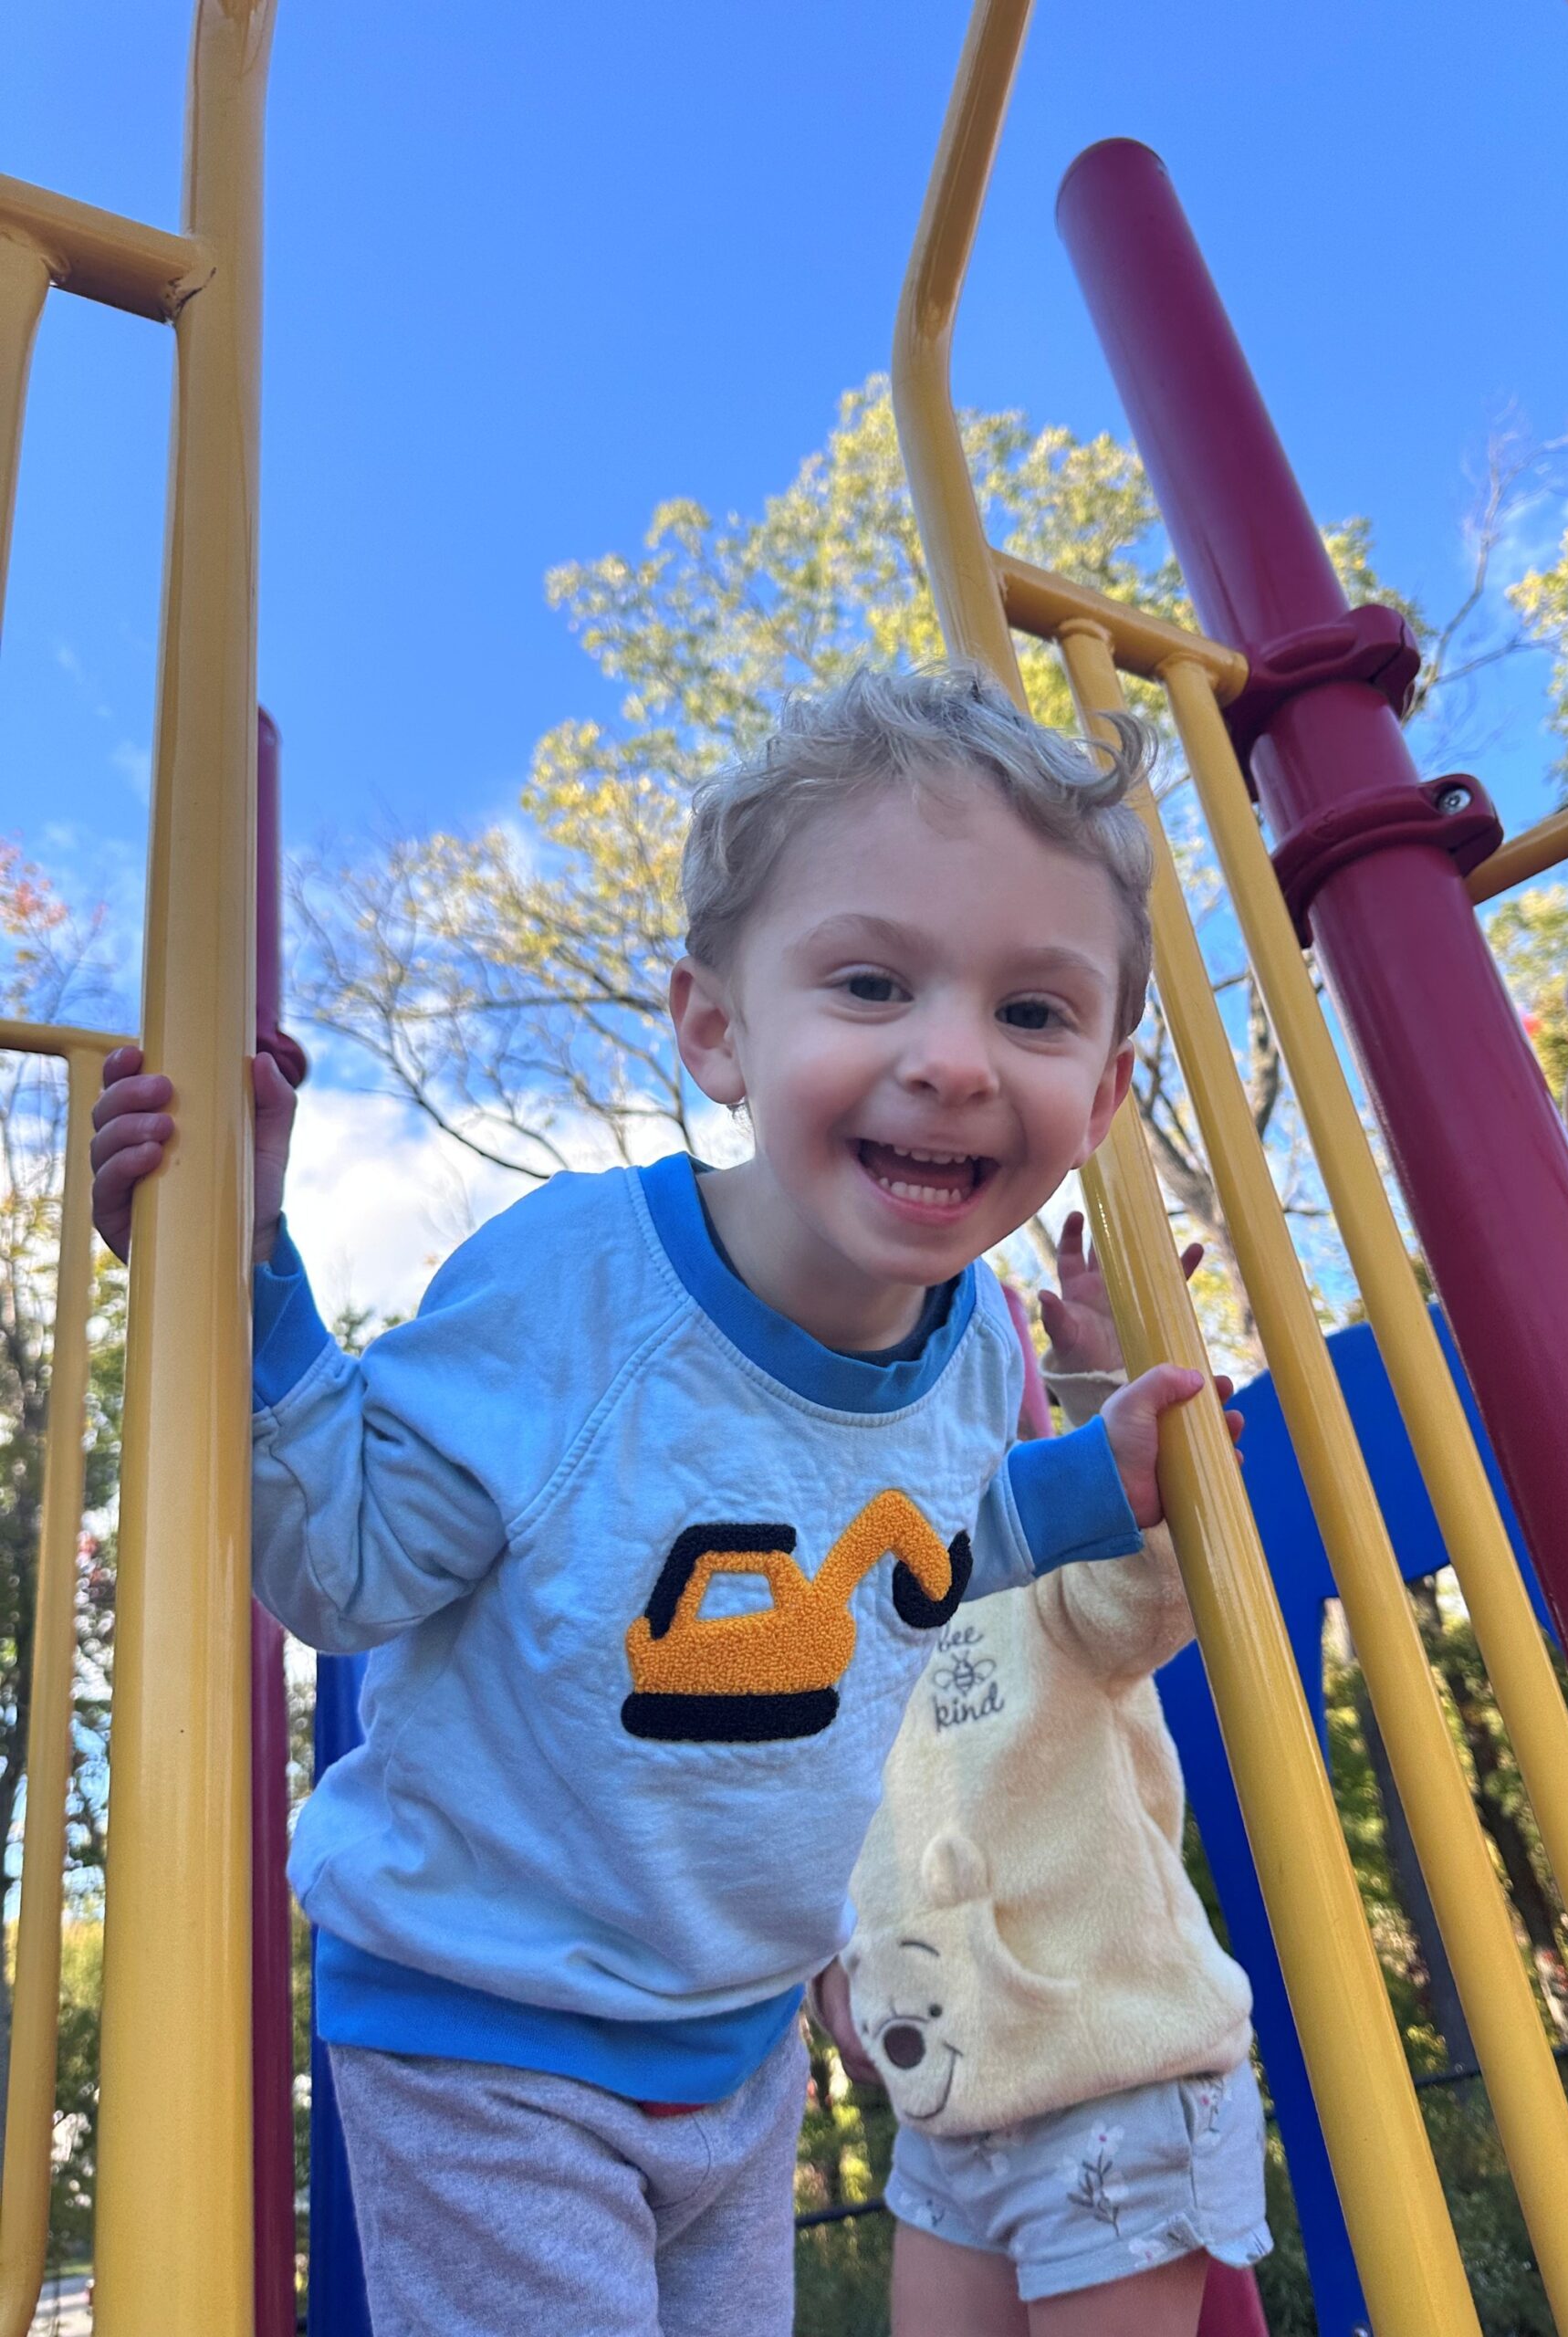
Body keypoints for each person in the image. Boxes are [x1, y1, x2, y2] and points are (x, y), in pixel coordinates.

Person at [89, 665, 1219, 2337]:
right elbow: (351, 1566)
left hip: (737, 2033)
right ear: (715, 1028)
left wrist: (1074, 1488)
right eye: (869, 981)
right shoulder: (579, 1288)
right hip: (493, 2028)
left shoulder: (978, 1349)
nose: (954, 1060)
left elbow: (907, 1562)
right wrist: (243, 1283)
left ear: (1108, 1094)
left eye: (1035, 1015)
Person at [812, 1216, 1269, 2337]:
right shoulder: (818, 1618)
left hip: (1110, 2080)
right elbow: (807, 1825)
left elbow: (1150, 1591)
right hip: (952, 2115)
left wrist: (1103, 1369)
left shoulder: (1028, 1555)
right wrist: (828, 1975)